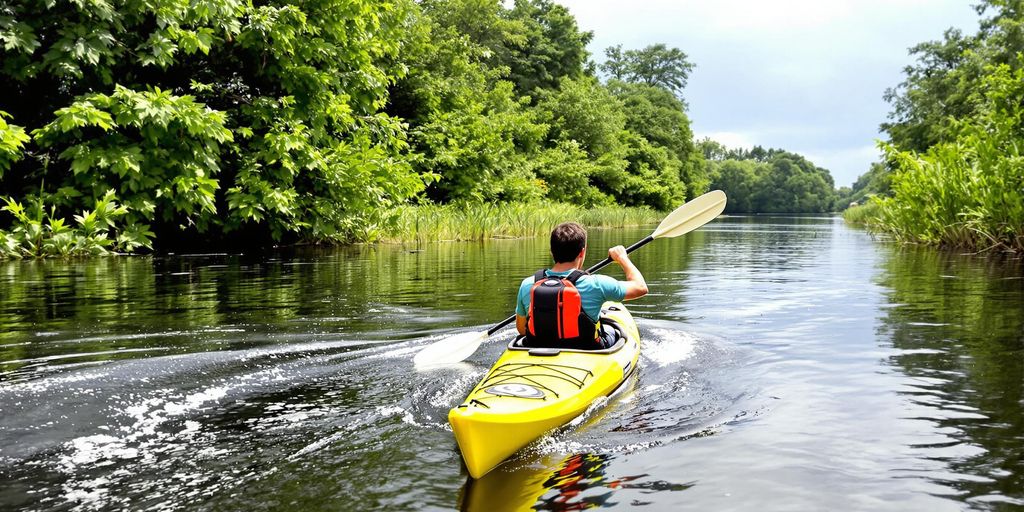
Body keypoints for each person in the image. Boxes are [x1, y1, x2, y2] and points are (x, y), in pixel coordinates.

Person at [515, 222, 648, 349]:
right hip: (586, 348)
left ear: (551, 251)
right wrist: (622, 258)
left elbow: (522, 329)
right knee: (614, 329)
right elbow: (641, 288)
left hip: (537, 347)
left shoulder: (528, 284)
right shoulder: (597, 284)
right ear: (582, 252)